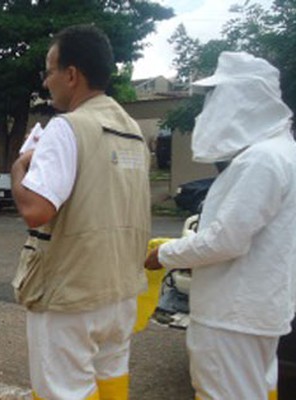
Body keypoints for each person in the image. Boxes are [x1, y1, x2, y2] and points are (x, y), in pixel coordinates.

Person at [145, 51, 296, 400]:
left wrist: (165, 254)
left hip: (232, 315)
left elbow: (225, 241)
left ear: (243, 99)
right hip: (254, 311)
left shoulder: (262, 159)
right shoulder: (281, 152)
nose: (209, 107)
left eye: (217, 96)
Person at [11, 25, 151, 400]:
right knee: (111, 383)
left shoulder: (67, 128)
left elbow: (36, 210)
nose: (46, 81)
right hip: (120, 292)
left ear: (71, 75)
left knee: (63, 391)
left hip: (70, 295)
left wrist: (19, 169)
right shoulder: (132, 131)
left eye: (50, 70)